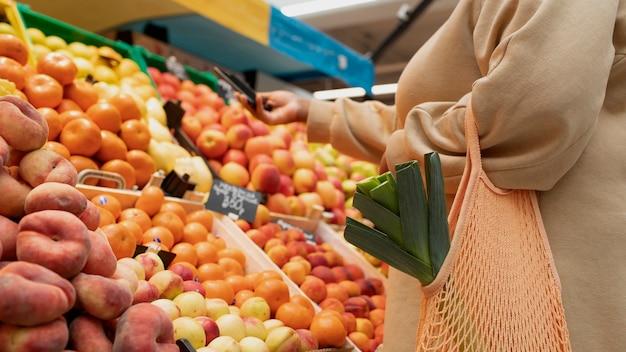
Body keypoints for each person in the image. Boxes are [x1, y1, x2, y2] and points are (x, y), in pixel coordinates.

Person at [237, 0, 626, 350]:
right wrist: (316, 112)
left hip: (521, 276)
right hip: (487, 276)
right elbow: (453, 118)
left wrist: (405, 153)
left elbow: (533, 111)